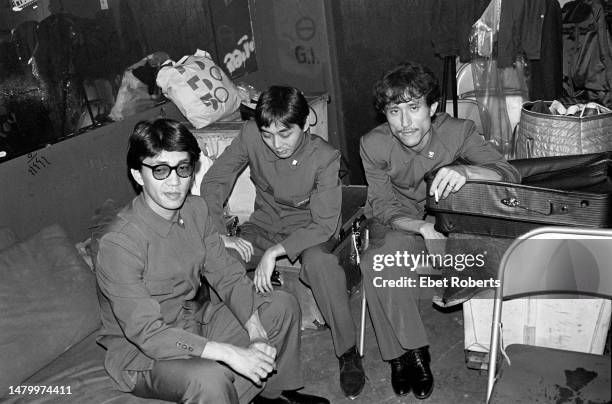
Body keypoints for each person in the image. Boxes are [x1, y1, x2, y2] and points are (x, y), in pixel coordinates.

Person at [95, 118, 329, 404]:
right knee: (210, 377)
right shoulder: (120, 243)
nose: (174, 181)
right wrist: (231, 354)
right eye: (160, 170)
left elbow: (227, 275)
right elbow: (149, 334)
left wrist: (255, 332)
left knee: (280, 305)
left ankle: (270, 394)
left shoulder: (195, 210)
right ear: (138, 175)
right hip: (142, 354)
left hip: (192, 322)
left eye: (183, 168)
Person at [359, 62, 520, 399]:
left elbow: (509, 174)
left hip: (450, 224)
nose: (404, 123)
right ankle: (412, 354)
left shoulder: (457, 131)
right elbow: (382, 207)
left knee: (377, 267)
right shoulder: (373, 145)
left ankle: (399, 357)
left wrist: (471, 174)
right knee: (377, 264)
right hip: (403, 222)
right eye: (394, 111)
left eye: (414, 108)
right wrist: (421, 228)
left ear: (432, 108)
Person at [201, 86, 366, 399]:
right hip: (261, 228)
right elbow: (215, 181)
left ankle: (348, 353)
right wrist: (219, 231)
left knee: (322, 264)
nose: (276, 144)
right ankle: (225, 348)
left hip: (308, 234)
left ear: (304, 125)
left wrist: (277, 253)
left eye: (285, 133)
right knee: (218, 256)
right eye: (267, 134)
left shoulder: (324, 157)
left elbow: (324, 224)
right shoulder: (250, 135)